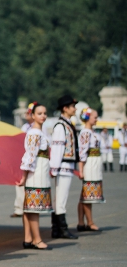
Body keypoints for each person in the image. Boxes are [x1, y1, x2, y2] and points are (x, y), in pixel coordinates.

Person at [17, 102, 52, 250]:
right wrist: (24, 176)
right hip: (36, 171)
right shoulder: (34, 133)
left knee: (30, 207)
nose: (43, 116)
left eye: (44, 113)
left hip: (40, 169)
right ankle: (36, 239)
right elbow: (29, 156)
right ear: (32, 115)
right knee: (34, 207)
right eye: (39, 113)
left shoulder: (39, 132)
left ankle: (29, 238)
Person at [49, 95, 79, 239]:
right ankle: (62, 229)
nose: (75, 108)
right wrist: (54, 168)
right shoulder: (61, 126)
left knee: (59, 198)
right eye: (72, 106)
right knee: (61, 198)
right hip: (63, 166)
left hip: (66, 165)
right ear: (65, 109)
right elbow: (57, 148)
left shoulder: (66, 125)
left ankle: (56, 229)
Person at [76, 107, 105, 231]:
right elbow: (82, 152)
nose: (96, 119)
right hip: (90, 165)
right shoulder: (85, 133)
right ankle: (89, 222)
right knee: (88, 195)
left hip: (95, 164)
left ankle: (82, 222)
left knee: (85, 195)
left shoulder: (92, 132)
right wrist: (81, 169)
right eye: (95, 117)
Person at [11, 102, 36, 218]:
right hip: (24, 159)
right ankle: (19, 208)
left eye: (29, 113)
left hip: (35, 161)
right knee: (20, 183)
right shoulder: (24, 127)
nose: (27, 115)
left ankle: (32, 207)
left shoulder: (41, 128)